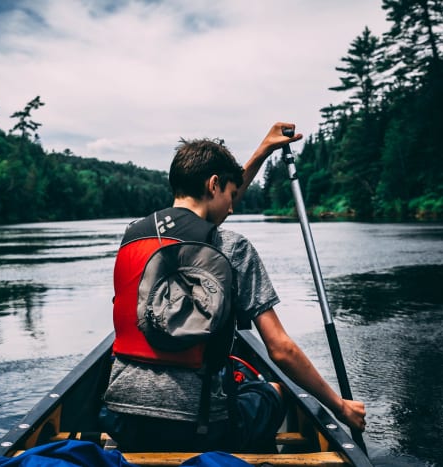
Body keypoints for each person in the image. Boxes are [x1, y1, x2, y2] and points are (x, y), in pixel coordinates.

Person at [99, 122, 366, 453]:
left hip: (121, 421)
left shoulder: (132, 236)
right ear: (213, 184)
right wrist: (340, 407)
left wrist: (261, 153)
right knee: (274, 392)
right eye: (229, 194)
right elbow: (281, 350)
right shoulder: (233, 247)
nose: (233, 206)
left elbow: (204, 217)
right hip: (198, 428)